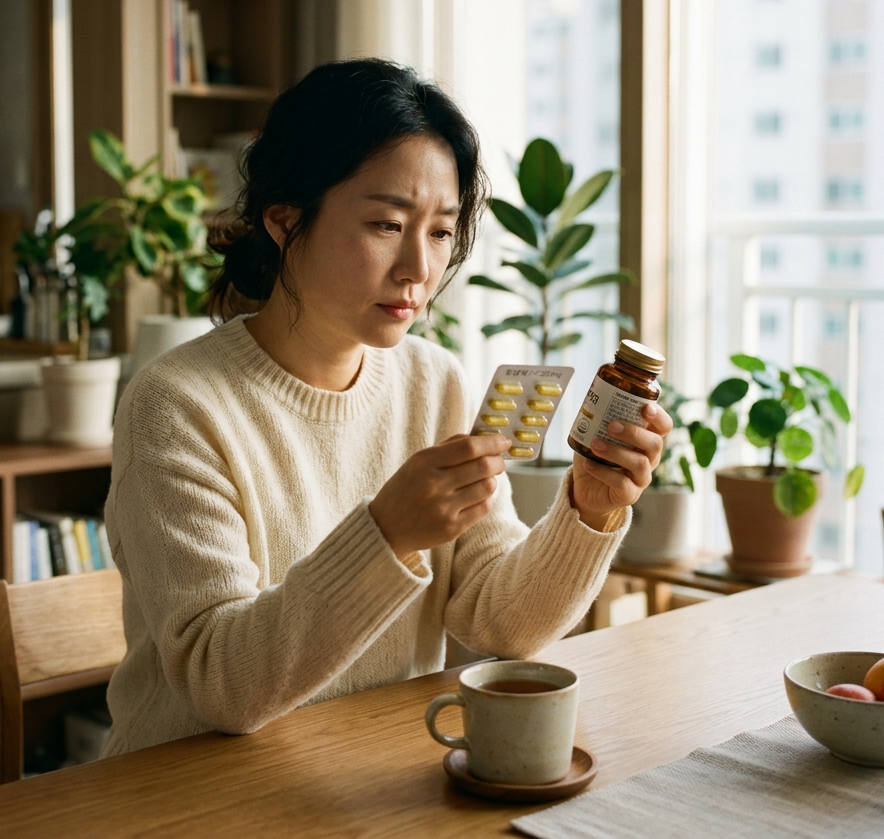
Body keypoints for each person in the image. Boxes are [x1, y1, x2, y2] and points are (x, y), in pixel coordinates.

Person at [102, 59, 671, 756]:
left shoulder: (435, 382)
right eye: (384, 224)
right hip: (191, 797)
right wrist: (386, 536)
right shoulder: (176, 406)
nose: (418, 269)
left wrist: (588, 508)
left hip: (374, 778)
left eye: (439, 232)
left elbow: (501, 623)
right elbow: (221, 684)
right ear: (284, 221)